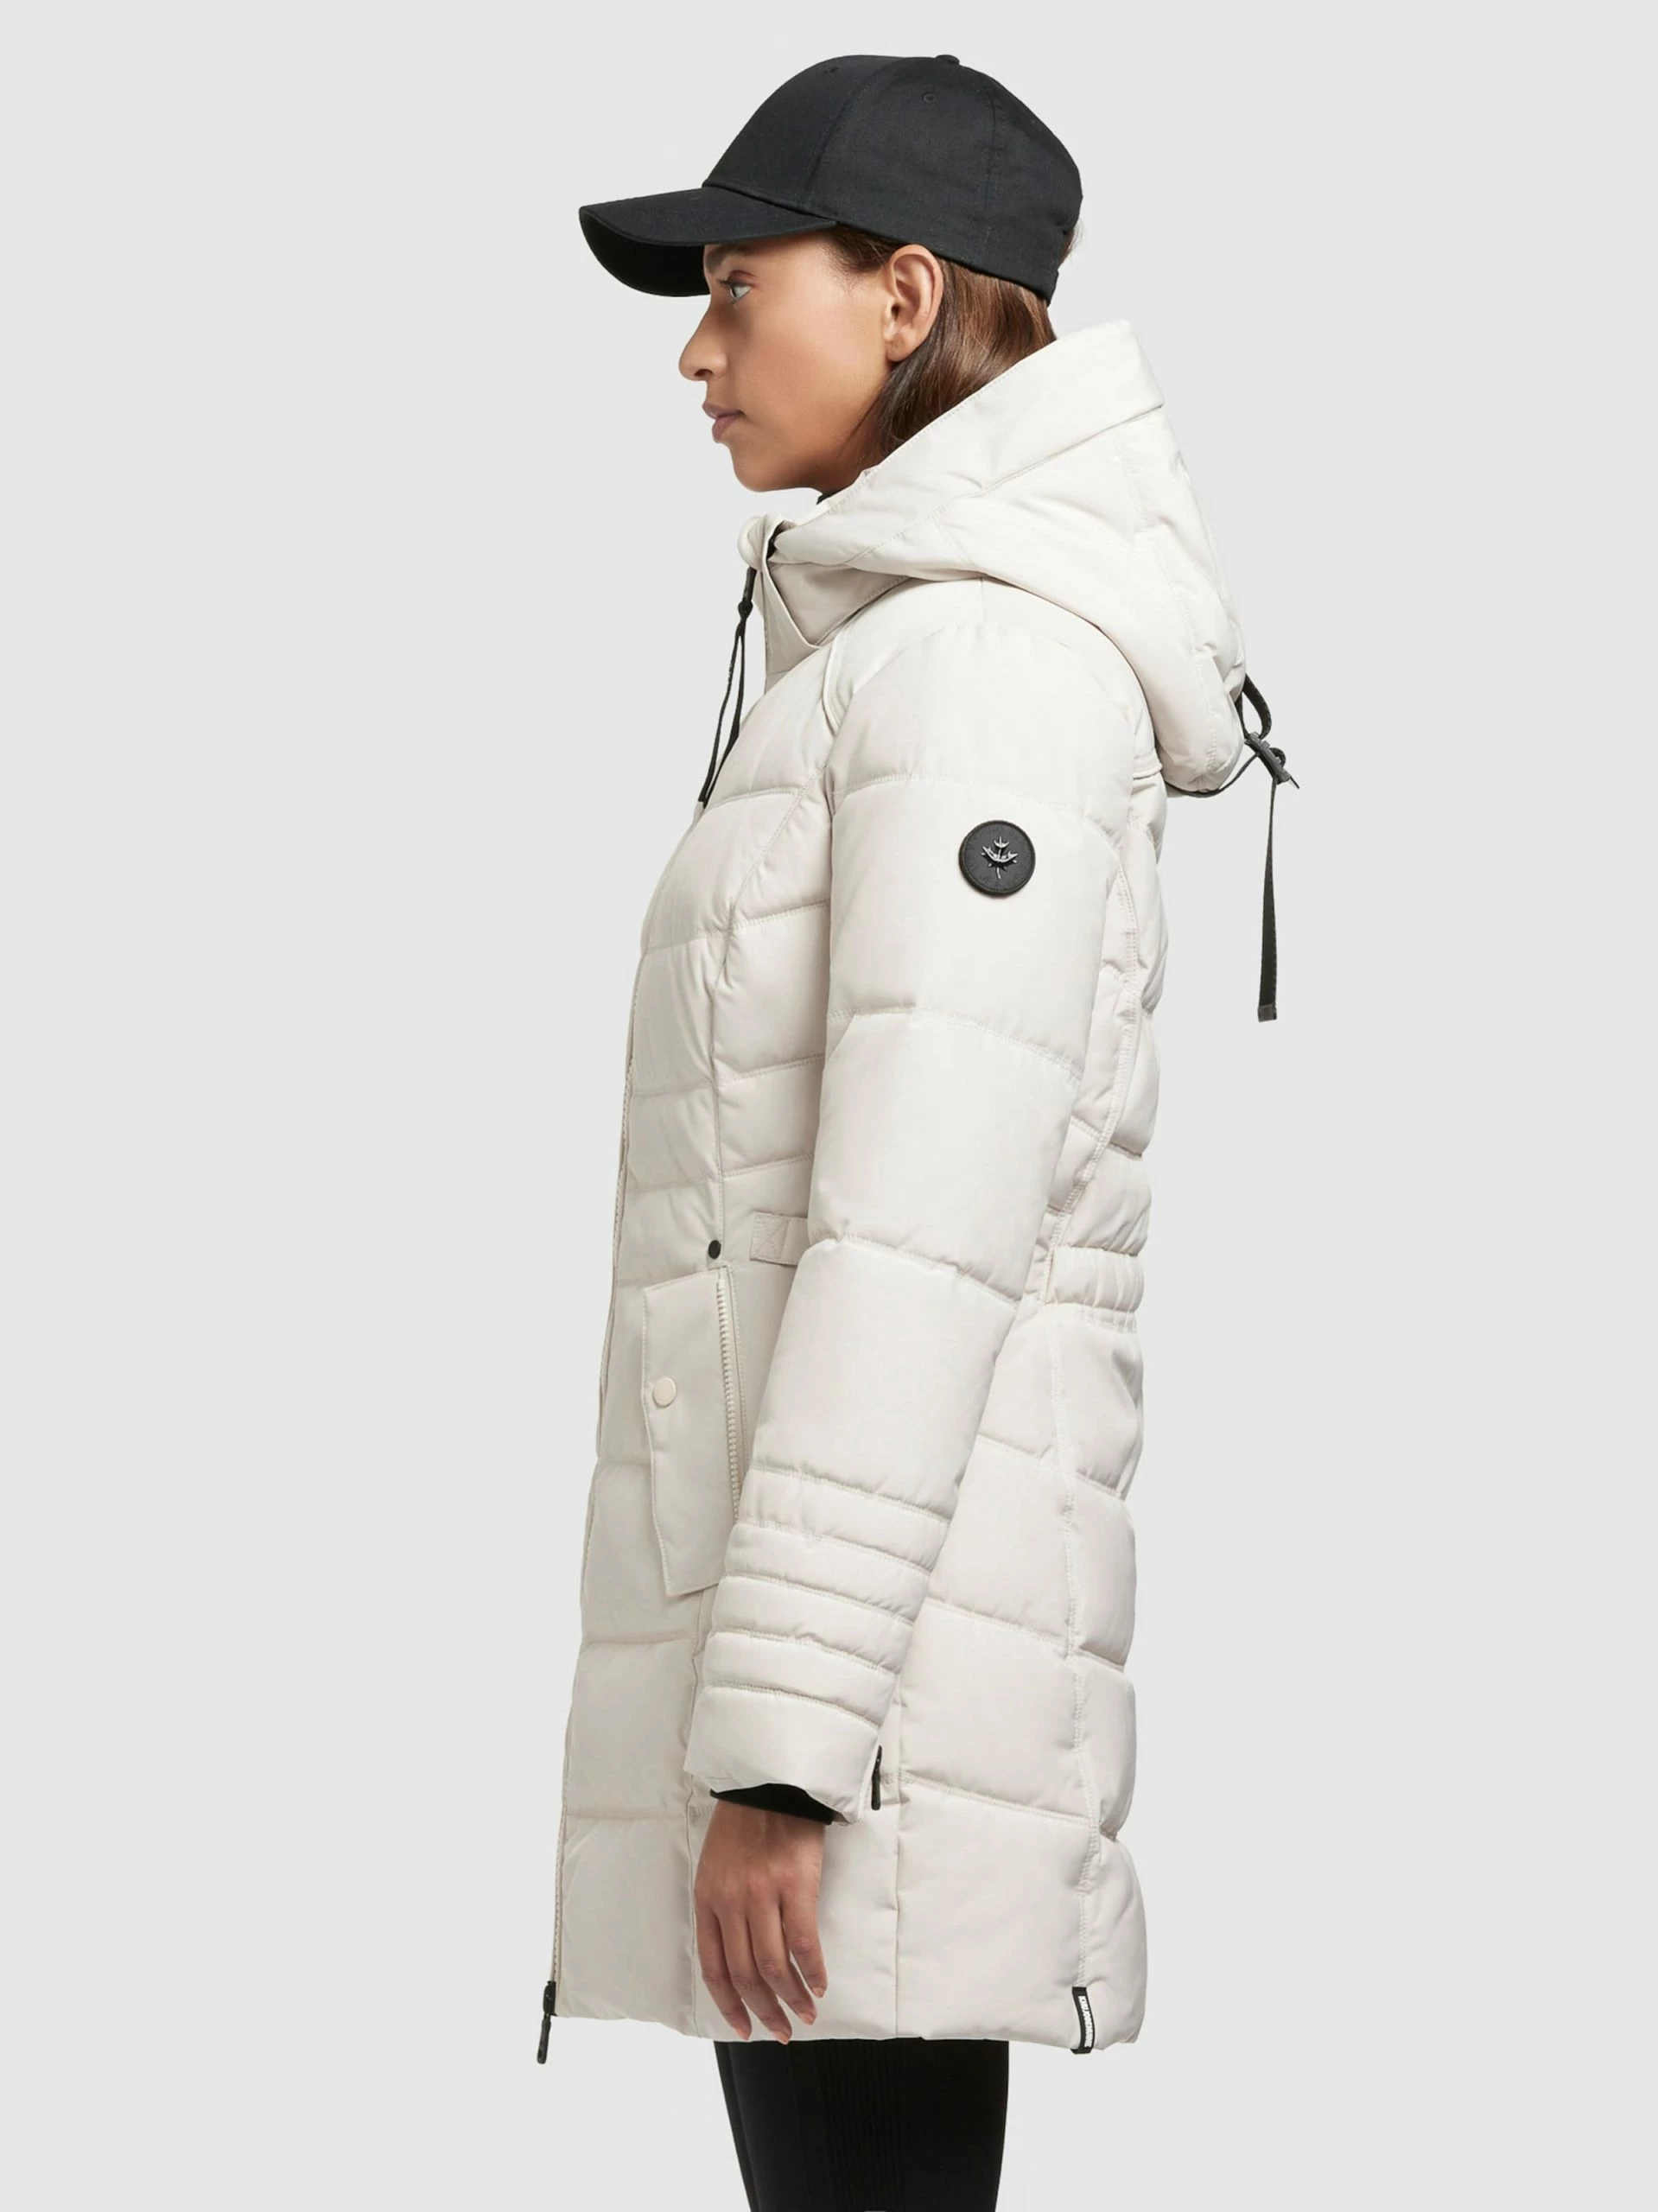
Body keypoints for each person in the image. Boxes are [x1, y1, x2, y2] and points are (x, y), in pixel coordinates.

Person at [536, 51, 1289, 2212]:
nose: (693, 353)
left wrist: (783, 1756)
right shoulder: (888, 660)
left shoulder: (977, 678)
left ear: (902, 295)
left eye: (733, 285)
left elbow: (912, 1239)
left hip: (864, 1721)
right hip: (856, 1684)